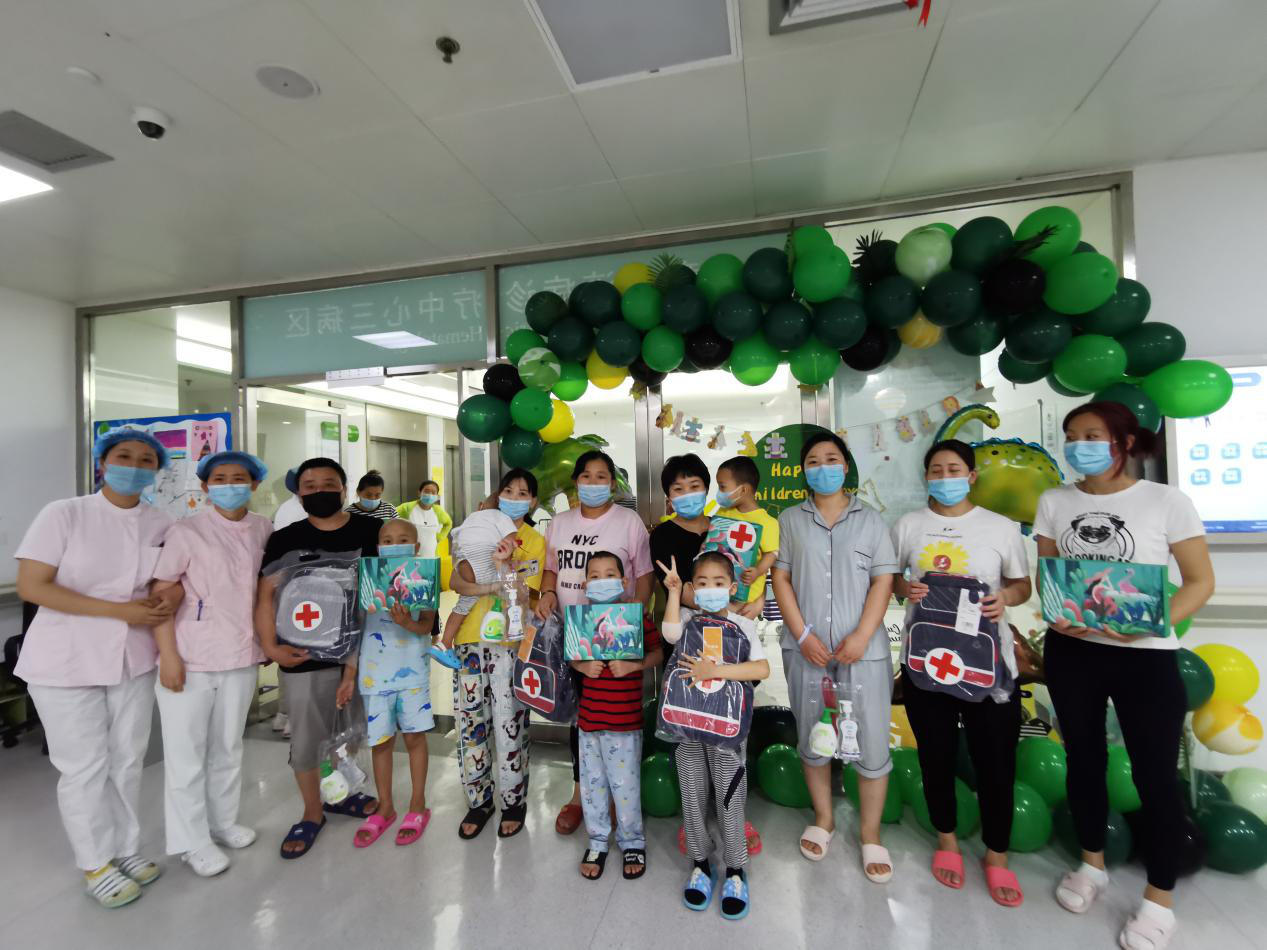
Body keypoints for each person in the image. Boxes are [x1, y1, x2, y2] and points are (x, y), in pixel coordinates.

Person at [1035, 402, 1214, 950]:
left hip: (1146, 657)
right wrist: (1058, 610)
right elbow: (1050, 578)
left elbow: (1200, 582)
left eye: (1093, 435)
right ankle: (1091, 865)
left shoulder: (1167, 502)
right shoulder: (1054, 501)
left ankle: (1159, 900)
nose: (1080, 445)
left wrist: (1148, 624)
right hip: (1073, 653)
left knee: (1155, 775)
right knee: (1083, 761)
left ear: (1126, 442)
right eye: (1072, 436)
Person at [15, 430, 178, 908]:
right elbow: (33, 586)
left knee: (127, 758)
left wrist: (170, 595)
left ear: (156, 470)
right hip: (64, 660)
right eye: (123, 456)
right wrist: (119, 612)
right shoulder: (64, 513)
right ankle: (95, 862)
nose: (135, 465)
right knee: (83, 765)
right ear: (102, 463)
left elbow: (169, 580)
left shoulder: (162, 521)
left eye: (146, 460)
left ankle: (125, 848)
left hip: (132, 657)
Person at [891, 439, 1031, 906]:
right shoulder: (908, 525)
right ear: (926, 477)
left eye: (954, 469)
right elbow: (889, 579)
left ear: (971, 476)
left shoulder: (1000, 528)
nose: (945, 477)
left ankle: (997, 854)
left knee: (996, 760)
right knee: (936, 755)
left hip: (988, 666)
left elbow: (1022, 584)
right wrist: (903, 586)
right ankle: (947, 840)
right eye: (936, 470)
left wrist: (1005, 598)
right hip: (926, 662)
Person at [770, 431, 897, 882]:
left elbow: (883, 580)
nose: (822, 467)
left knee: (872, 740)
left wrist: (862, 636)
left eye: (831, 459)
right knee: (814, 735)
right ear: (803, 471)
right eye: (813, 461)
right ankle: (823, 819)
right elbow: (781, 578)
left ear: (845, 466)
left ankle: (870, 833)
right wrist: (802, 634)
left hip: (864, 654)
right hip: (808, 652)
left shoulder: (872, 520)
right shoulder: (790, 520)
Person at [150, 451, 273, 878]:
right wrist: (168, 655)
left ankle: (222, 822)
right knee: (186, 755)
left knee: (228, 746)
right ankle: (190, 841)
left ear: (254, 484)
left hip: (241, 655)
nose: (229, 485)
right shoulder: (186, 531)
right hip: (190, 658)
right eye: (219, 478)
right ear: (205, 487)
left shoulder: (263, 528)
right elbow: (161, 595)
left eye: (239, 478)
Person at [254, 456, 382, 859]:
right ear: (298, 494)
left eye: (329, 484)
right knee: (309, 737)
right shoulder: (285, 538)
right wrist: (271, 647)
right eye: (310, 486)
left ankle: (341, 793)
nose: (320, 491)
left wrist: (352, 665)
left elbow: (381, 591)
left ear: (344, 489)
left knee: (349, 729)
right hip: (303, 655)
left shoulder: (371, 531)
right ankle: (312, 811)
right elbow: (265, 597)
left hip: (360, 650)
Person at [536, 450, 654, 836]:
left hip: (615, 635)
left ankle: (620, 797)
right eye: (585, 476)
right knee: (580, 718)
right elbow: (550, 568)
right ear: (576, 482)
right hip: (574, 636)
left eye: (601, 476)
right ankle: (580, 795)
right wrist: (547, 593)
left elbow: (644, 576)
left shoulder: (628, 522)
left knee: (617, 718)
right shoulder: (560, 523)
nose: (592, 483)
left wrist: (632, 624)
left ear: (613, 484)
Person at [660, 552, 769, 920]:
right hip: (688, 724)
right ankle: (700, 864)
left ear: (732, 587)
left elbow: (761, 669)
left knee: (730, 798)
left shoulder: (743, 624)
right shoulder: (686, 620)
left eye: (718, 583)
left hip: (727, 729)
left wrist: (716, 671)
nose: (710, 589)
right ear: (693, 588)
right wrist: (674, 592)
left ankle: (735, 869)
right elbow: (669, 633)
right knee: (692, 795)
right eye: (702, 584)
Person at [444, 469, 545, 839]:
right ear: (496, 495)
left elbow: (523, 595)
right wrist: (487, 585)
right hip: (468, 640)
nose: (514, 498)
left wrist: (502, 569)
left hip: (508, 643)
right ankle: (479, 799)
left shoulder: (533, 540)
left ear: (533, 502)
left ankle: (513, 800)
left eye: (523, 493)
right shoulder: (475, 528)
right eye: (508, 490)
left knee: (509, 723)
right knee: (471, 724)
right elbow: (455, 580)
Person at [335, 519, 437, 848]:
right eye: (388, 540)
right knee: (380, 742)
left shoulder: (424, 579)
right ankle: (386, 806)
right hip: (373, 675)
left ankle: (418, 804)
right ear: (379, 548)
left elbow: (427, 626)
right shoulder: (368, 581)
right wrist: (349, 677)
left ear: (415, 547)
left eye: (403, 539)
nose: (394, 544)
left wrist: (407, 621)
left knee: (415, 738)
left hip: (412, 674)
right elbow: (357, 633)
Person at [572, 552, 663, 881]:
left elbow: (658, 652)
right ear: (586, 584)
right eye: (594, 576)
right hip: (589, 722)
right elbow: (572, 657)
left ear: (624, 581)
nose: (602, 581)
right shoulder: (582, 619)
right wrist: (583, 666)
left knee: (626, 788)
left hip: (625, 723)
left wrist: (634, 665)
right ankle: (597, 840)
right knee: (592, 786)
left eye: (610, 574)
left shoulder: (636, 616)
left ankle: (632, 841)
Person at [714, 455, 780, 621]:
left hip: (746, 595)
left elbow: (772, 553)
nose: (719, 493)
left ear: (743, 490)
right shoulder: (723, 513)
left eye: (722, 487)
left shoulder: (767, 522)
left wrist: (758, 571)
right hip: (720, 589)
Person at [650, 454, 712, 608]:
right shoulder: (661, 535)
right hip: (684, 620)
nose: (687, 494)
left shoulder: (722, 527)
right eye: (678, 489)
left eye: (694, 486)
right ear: (669, 496)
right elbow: (680, 591)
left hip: (732, 618)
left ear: (706, 489)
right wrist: (729, 608)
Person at [397, 479, 452, 558]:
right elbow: (391, 517)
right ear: (419, 493)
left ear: (437, 496)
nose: (430, 495)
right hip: (409, 556)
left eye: (433, 492)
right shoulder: (407, 508)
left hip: (431, 556)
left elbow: (448, 523)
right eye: (426, 491)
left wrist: (440, 537)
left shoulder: (438, 511)